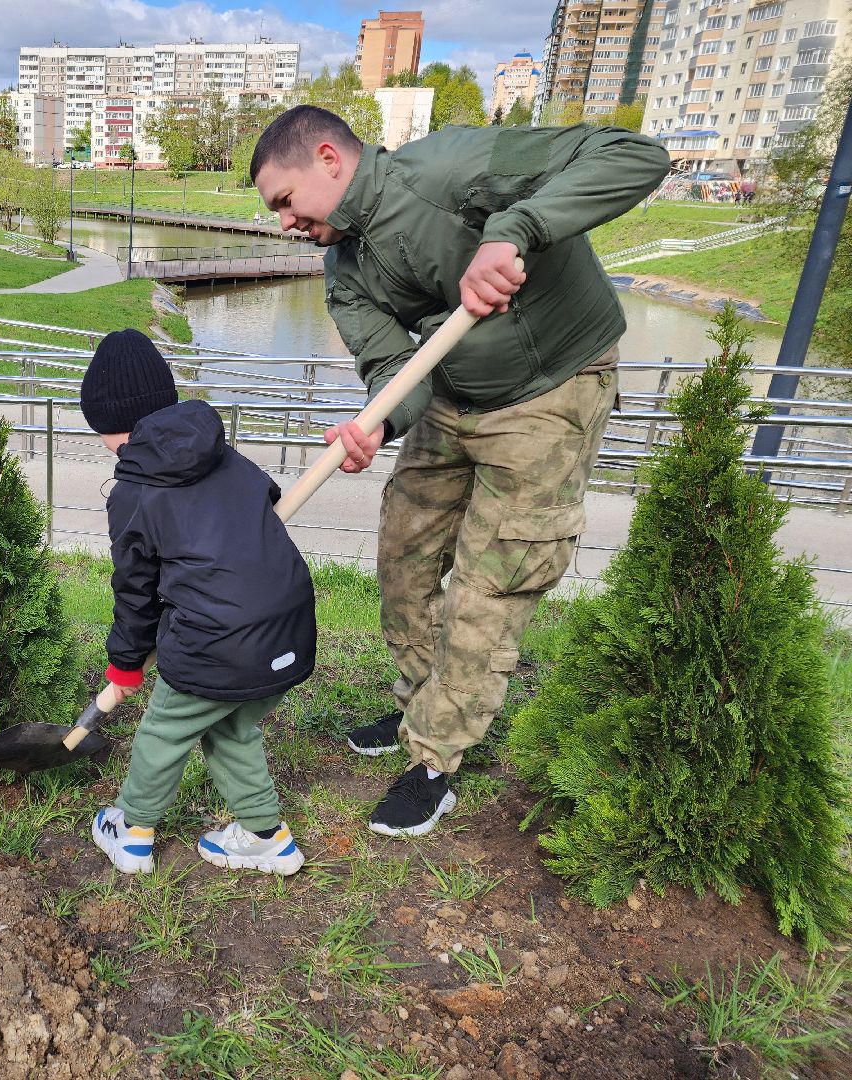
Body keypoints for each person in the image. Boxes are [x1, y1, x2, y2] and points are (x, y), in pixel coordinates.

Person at [251, 105, 670, 837]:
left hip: (552, 392)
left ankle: (435, 762)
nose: (284, 222)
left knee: (490, 583)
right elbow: (396, 370)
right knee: (404, 555)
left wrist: (514, 230)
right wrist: (379, 419)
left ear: (328, 159)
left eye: (284, 201)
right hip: (453, 401)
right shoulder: (344, 272)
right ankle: (423, 702)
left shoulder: (451, 169)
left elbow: (635, 156)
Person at [80, 329, 316, 876]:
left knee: (165, 730)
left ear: (113, 429)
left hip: (219, 639)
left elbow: (136, 593)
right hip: (289, 624)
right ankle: (266, 837)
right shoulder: (223, 454)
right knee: (228, 724)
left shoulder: (134, 491)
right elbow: (268, 495)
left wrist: (125, 666)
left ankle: (132, 830)